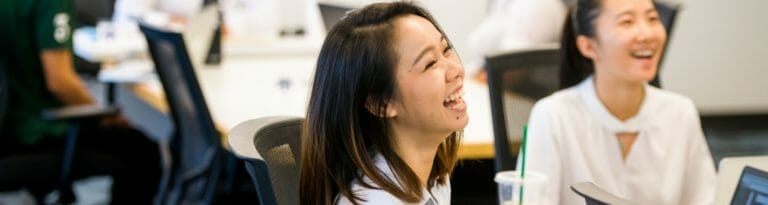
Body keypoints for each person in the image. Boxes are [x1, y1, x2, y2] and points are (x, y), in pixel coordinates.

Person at [522, 0, 717, 204]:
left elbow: (705, 199)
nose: (647, 34)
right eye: (627, 22)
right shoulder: (553, 116)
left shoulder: (680, 113)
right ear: (588, 46)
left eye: (652, 19)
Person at [300, 2, 467, 204]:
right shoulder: (375, 200)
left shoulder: (433, 181)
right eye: (430, 63)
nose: (456, 69)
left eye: (446, 49)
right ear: (381, 103)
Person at [0, 0, 161, 204]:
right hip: (37, 131)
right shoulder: (51, 4)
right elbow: (60, 83)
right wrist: (105, 116)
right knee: (142, 151)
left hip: (8, 130)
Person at [465, 0, 568, 82]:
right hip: (478, 81)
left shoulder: (539, 6)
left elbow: (511, 69)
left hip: (514, 99)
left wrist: (469, 82)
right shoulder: (505, 3)